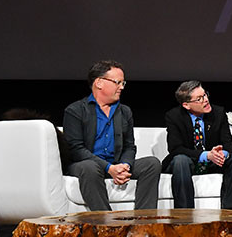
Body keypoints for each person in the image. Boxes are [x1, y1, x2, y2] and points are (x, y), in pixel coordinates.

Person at [62, 60, 161, 210]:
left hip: (115, 164)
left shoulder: (125, 111)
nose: (121, 87)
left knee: (151, 164)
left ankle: (144, 223)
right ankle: (107, 224)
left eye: (123, 83)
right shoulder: (75, 111)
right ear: (99, 83)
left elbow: (129, 146)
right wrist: (108, 168)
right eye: (117, 82)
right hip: (87, 165)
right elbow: (76, 150)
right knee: (89, 167)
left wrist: (125, 166)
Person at [161, 81, 232, 209]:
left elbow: (229, 145)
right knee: (180, 160)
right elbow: (175, 148)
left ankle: (231, 212)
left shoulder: (218, 112)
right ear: (186, 105)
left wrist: (220, 154)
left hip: (213, 162)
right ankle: (185, 216)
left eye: (205, 95)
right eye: (199, 99)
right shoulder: (174, 116)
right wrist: (206, 155)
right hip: (189, 163)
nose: (206, 100)